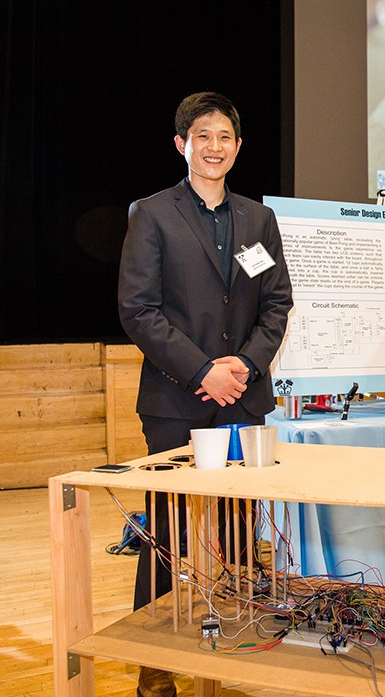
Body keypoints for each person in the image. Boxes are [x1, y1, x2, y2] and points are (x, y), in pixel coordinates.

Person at [117, 92, 294, 697]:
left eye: (225, 136)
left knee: (243, 535)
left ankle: (236, 661)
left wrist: (242, 365)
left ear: (238, 147)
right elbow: (138, 310)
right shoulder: (153, 213)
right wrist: (202, 373)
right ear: (181, 145)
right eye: (202, 135)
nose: (214, 146)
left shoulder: (257, 219)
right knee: (164, 535)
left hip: (244, 401)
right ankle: (155, 669)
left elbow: (277, 303)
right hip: (175, 402)